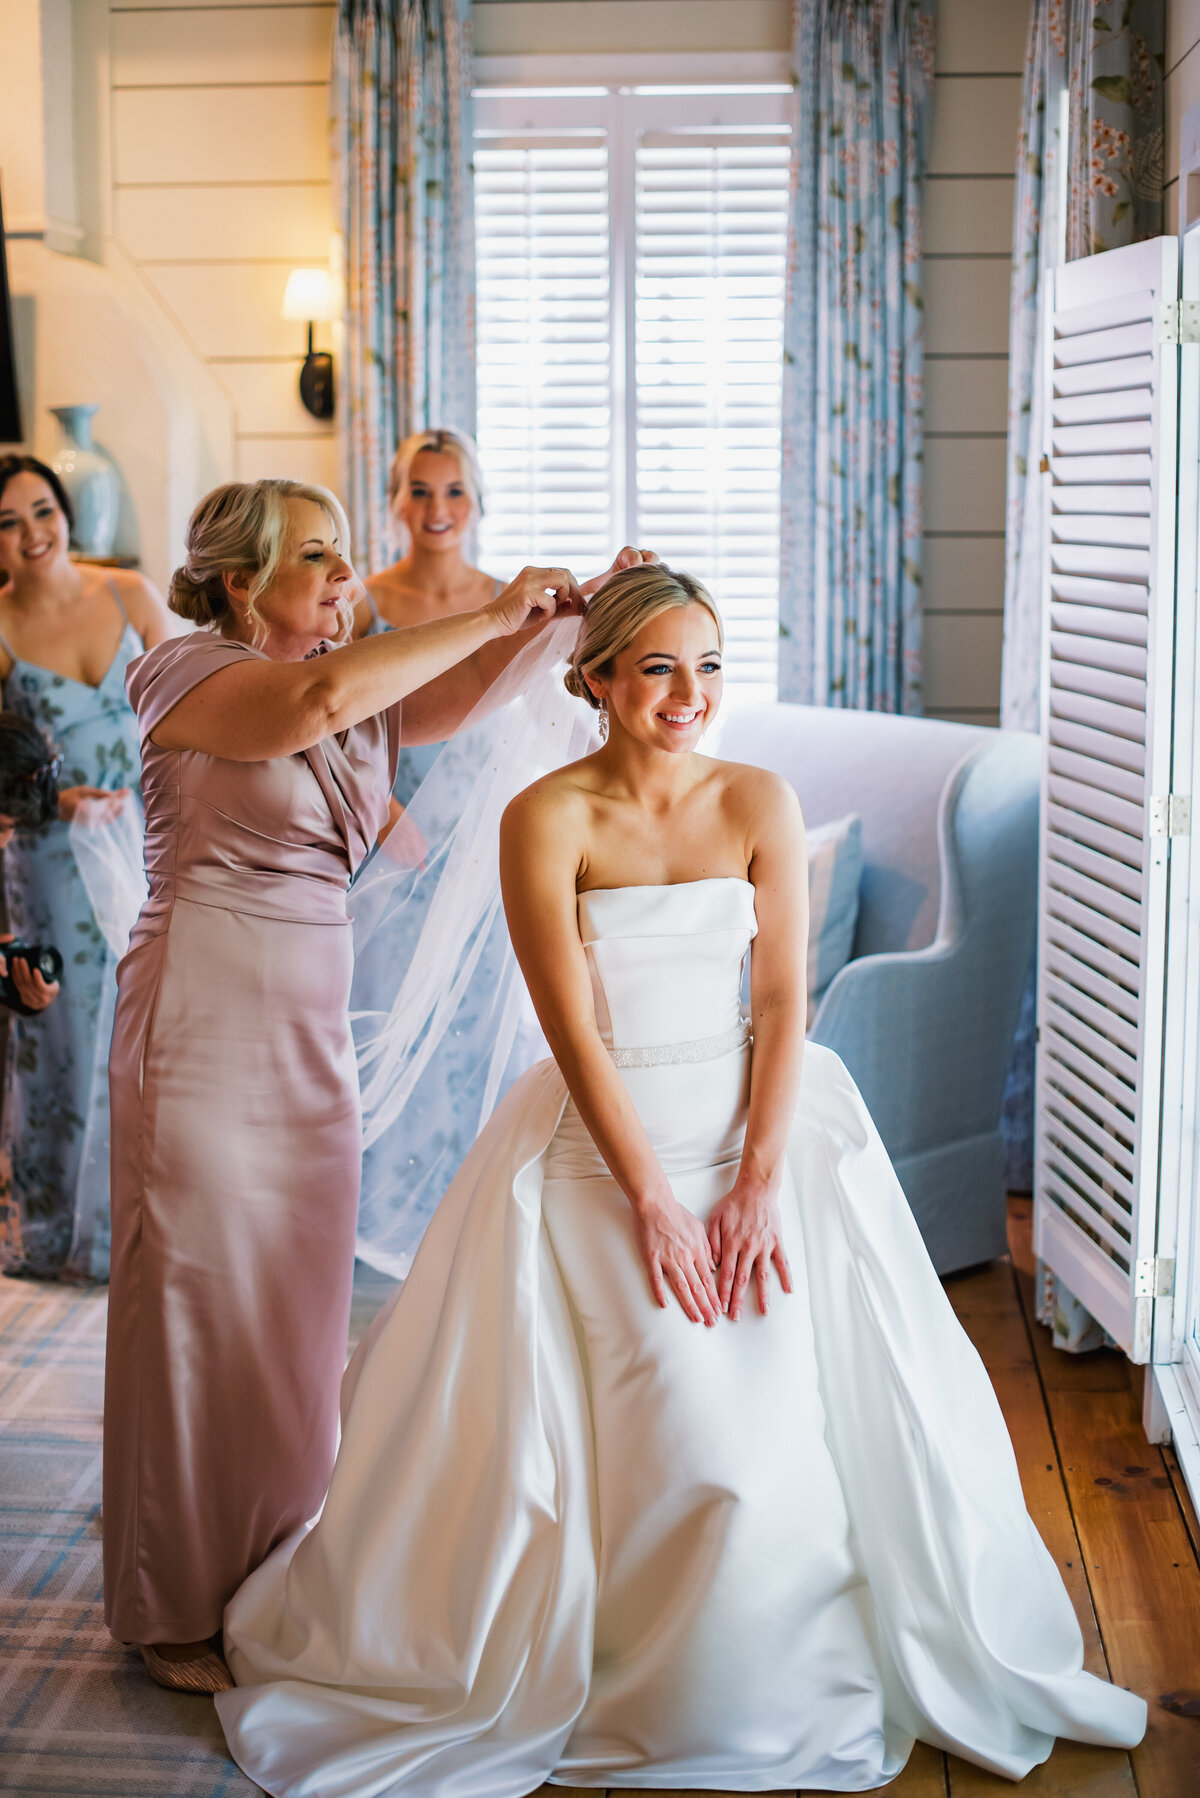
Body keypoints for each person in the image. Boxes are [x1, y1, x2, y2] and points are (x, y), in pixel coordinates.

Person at [216, 565, 1146, 1793]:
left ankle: (784, 1679)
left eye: (707, 666)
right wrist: (653, 1197)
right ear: (595, 678)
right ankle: (631, 1675)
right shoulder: (546, 818)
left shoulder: (758, 798)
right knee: (675, 1404)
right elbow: (573, 1034)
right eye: (657, 667)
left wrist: (756, 1184)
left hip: (758, 1127)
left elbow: (778, 1001)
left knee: (792, 1409)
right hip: (612, 1142)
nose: (688, 695)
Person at [102, 474, 642, 1697]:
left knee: (294, 1309)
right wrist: (499, 603)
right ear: (241, 583)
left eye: (347, 554)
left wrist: (564, 613)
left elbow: (453, 695)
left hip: (306, 1033)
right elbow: (327, 692)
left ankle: (274, 1558)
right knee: (197, 1303)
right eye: (317, 557)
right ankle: (172, 1594)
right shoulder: (189, 673)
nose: (346, 578)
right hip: (199, 1020)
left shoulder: (353, 701)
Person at [0, 456, 172, 1279]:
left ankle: (146, 1227)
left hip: (151, 844)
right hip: (51, 861)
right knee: (64, 1040)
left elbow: (190, 708)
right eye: (8, 521)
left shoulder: (130, 594)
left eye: (42, 511)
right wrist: (57, 801)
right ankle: (60, 1232)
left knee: (148, 1032)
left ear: (67, 514)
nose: (32, 533)